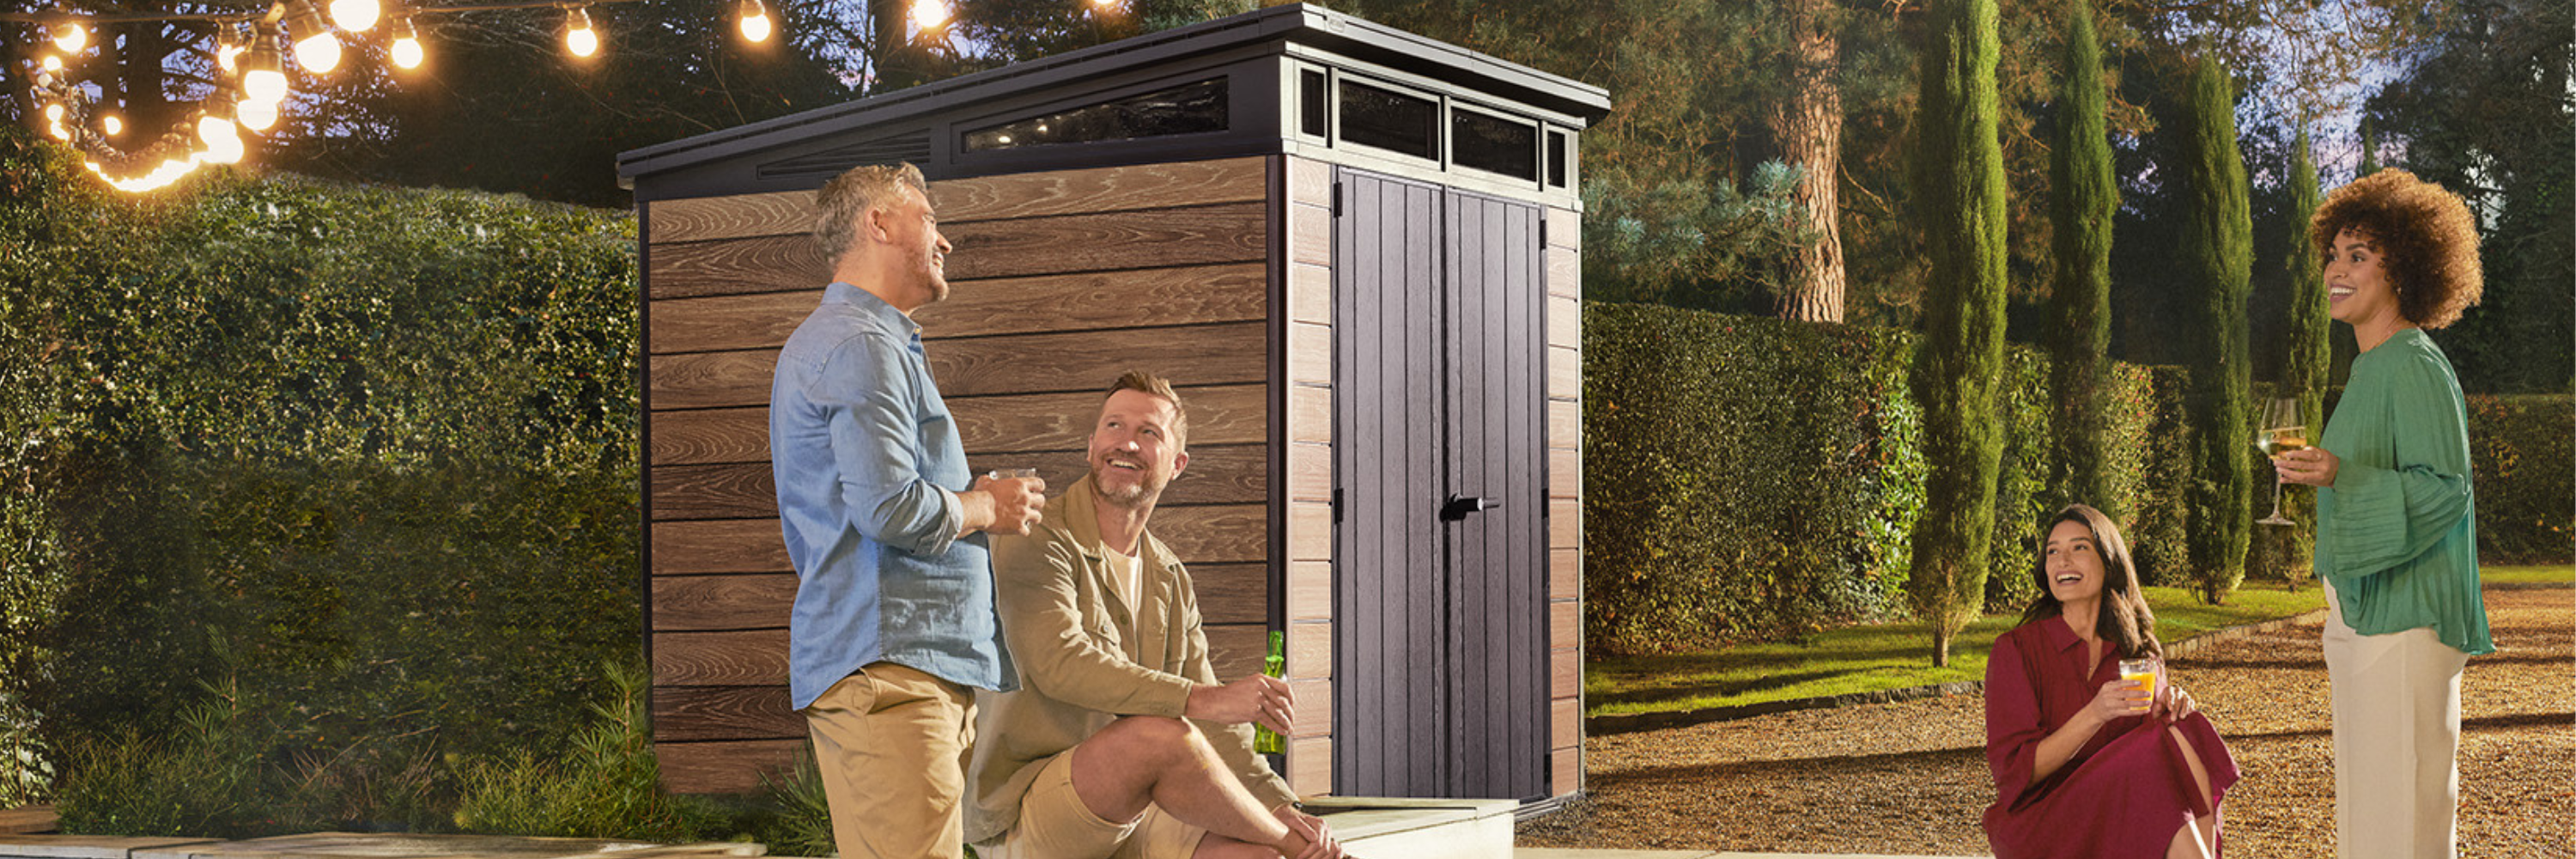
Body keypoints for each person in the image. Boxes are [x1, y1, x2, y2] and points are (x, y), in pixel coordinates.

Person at [770, 162, 1048, 859]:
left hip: (902, 673)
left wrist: (969, 500)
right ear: (879, 224)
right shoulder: (862, 345)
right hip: (892, 676)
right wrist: (986, 506)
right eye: (928, 220)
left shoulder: (866, 342)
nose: (943, 240)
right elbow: (891, 508)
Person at [968, 371, 1346, 859]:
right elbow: (1062, 664)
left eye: (1148, 432)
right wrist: (1210, 702)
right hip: (1029, 813)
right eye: (1114, 426)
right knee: (1161, 736)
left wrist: (1282, 806)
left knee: (1257, 857)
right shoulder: (1037, 538)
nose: (1126, 443)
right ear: (1091, 446)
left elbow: (1220, 728)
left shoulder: (1169, 575)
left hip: (1137, 811)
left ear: (1177, 465)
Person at [2273, 168, 2492, 859]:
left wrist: (2343, 474)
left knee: (2403, 810)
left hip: (2406, 621)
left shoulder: (2413, 364)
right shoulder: (2372, 366)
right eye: (2334, 255)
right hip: (2364, 616)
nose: (2337, 270)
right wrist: (2327, 474)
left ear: (2404, 269)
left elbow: (2444, 489)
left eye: (2359, 255)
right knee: (2374, 805)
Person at [1982, 503, 2239, 859]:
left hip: (2124, 812)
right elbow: (2013, 773)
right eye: (2053, 551)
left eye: (2079, 547)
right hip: (2045, 818)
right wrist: (2095, 714)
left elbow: (2159, 754)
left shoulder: (2138, 652)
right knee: (2153, 751)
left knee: (2184, 726)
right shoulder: (2017, 650)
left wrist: (2167, 709)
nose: (2062, 560)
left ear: (2109, 561)